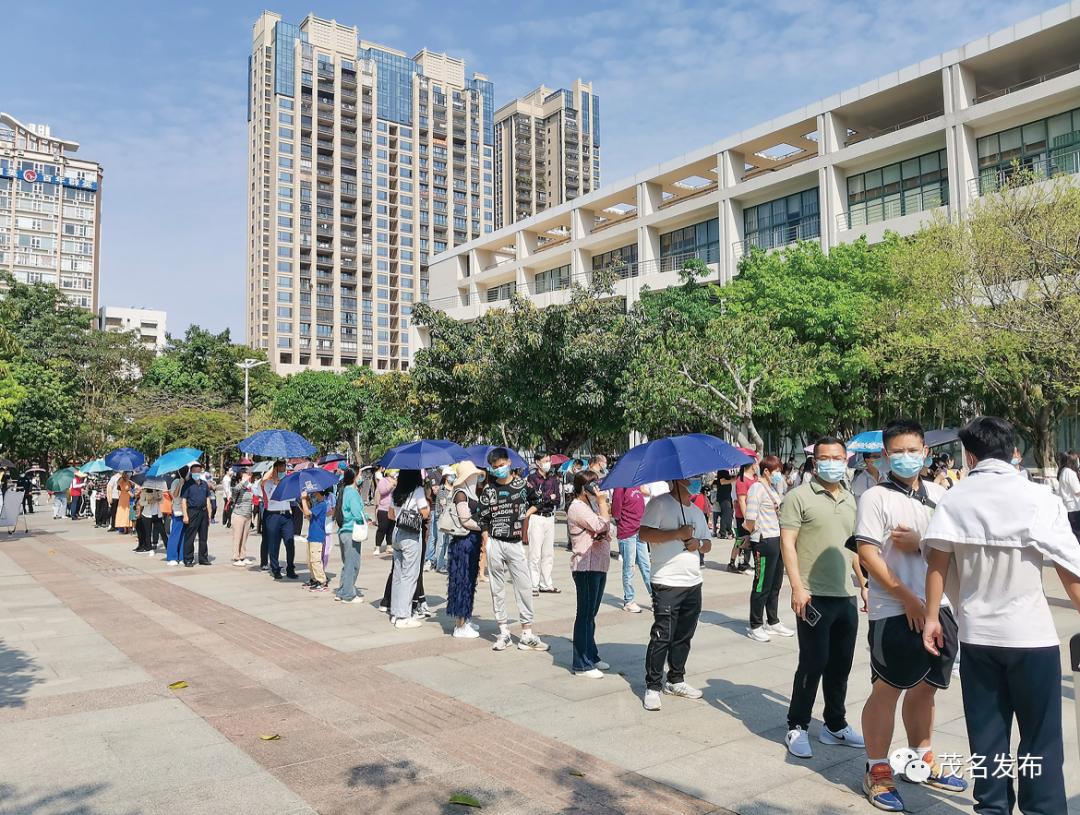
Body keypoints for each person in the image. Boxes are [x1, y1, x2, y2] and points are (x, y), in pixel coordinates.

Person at [922, 416, 1080, 815]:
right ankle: (1043, 809)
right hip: (1032, 637)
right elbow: (1069, 567)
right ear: (1013, 450)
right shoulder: (1038, 498)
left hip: (978, 637)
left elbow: (936, 565)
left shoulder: (954, 499)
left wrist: (930, 619)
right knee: (1040, 739)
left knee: (987, 736)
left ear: (970, 455)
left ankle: (991, 807)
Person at [854, 420, 966, 811]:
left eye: (913, 450)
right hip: (894, 610)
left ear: (926, 452)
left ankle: (921, 757)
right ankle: (877, 768)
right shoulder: (875, 498)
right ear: (886, 455)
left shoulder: (940, 494)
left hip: (941, 608)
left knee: (927, 687)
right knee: (887, 688)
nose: (906, 457)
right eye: (898, 451)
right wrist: (907, 598)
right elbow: (867, 553)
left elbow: (951, 549)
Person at [779, 435, 866, 759]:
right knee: (812, 663)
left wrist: (863, 583)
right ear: (815, 461)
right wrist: (797, 587)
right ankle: (797, 725)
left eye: (837, 458)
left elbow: (853, 546)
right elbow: (788, 543)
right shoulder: (798, 497)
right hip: (813, 595)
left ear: (847, 460)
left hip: (845, 594)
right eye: (825, 458)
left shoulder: (850, 498)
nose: (832, 463)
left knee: (841, 664)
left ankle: (834, 724)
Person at [639, 474, 710, 711]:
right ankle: (652, 686)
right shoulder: (658, 503)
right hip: (666, 581)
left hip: (693, 582)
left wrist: (697, 544)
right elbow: (644, 534)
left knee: (684, 635)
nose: (696, 480)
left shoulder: (697, 511)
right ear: (678, 480)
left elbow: (707, 542)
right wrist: (676, 534)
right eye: (692, 478)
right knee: (663, 635)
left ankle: (676, 679)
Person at [477, 447, 549, 652]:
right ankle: (504, 631)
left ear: (509, 463)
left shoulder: (522, 485)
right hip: (495, 542)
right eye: (495, 467)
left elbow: (538, 501)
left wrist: (525, 514)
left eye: (502, 465)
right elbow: (482, 517)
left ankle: (527, 632)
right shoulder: (489, 491)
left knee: (524, 586)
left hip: (515, 542)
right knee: (497, 589)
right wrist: (486, 539)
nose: (499, 469)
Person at [566, 470, 612, 678]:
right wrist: (603, 504)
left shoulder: (591, 505)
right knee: (584, 615)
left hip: (599, 563)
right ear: (583, 488)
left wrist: (602, 522)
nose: (597, 488)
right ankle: (581, 663)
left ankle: (591, 655)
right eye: (593, 485)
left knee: (591, 614)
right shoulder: (577, 507)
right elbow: (600, 524)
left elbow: (607, 530)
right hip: (585, 565)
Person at [744, 455, 794, 643]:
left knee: (775, 584)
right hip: (764, 540)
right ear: (766, 471)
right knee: (761, 584)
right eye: (776, 471)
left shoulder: (771, 488)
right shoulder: (756, 488)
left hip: (777, 538)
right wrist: (754, 533)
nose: (778, 475)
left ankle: (773, 621)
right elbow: (750, 518)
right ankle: (755, 624)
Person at [445, 461, 484, 638]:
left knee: (469, 581)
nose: (476, 478)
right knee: (462, 581)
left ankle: (465, 618)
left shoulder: (471, 494)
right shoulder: (460, 494)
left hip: (472, 542)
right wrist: (484, 526)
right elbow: (465, 520)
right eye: (473, 475)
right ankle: (460, 625)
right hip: (463, 543)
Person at [388, 469, 429, 629]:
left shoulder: (396, 491)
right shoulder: (417, 490)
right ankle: (403, 615)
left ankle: (395, 612)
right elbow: (425, 513)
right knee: (409, 575)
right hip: (410, 535)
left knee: (398, 574)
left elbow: (391, 515)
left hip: (396, 533)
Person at [525, 453, 561, 596]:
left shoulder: (553, 479)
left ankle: (546, 583)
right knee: (535, 553)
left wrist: (548, 499)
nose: (548, 463)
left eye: (549, 460)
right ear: (537, 462)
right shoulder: (532, 478)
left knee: (548, 553)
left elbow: (557, 499)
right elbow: (534, 498)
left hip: (549, 517)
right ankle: (533, 584)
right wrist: (548, 498)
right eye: (545, 461)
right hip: (537, 518)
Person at [612, 483, 650, 613]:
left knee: (646, 566)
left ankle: (655, 598)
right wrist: (623, 523)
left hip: (640, 530)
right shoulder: (620, 487)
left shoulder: (637, 485)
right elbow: (616, 511)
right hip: (627, 532)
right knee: (629, 567)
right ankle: (629, 600)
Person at [333, 468, 367, 604]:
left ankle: (342, 591)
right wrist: (364, 519)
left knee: (348, 563)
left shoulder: (344, 490)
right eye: (359, 474)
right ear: (354, 477)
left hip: (344, 531)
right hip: (351, 531)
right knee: (353, 564)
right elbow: (357, 512)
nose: (361, 477)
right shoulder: (352, 492)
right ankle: (348, 595)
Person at [261, 460, 297, 580]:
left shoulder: (288, 483)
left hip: (286, 515)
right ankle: (275, 568)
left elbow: (291, 497)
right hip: (273, 515)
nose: (282, 472)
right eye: (280, 469)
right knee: (274, 544)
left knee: (290, 542)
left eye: (284, 469)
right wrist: (276, 483)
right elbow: (271, 498)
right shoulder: (268, 483)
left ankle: (290, 568)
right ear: (275, 470)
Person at [181, 463, 212, 567]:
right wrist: (185, 515)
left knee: (203, 537)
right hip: (192, 512)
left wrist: (209, 514)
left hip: (203, 512)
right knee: (190, 536)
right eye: (194, 472)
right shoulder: (187, 484)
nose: (196, 473)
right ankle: (188, 559)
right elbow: (184, 500)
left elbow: (208, 499)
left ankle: (203, 558)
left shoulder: (204, 484)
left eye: (198, 471)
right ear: (191, 472)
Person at [425, 468, 454, 573]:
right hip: (441, 518)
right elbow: (443, 505)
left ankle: (444, 562)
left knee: (448, 542)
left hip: (451, 519)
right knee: (440, 541)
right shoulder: (442, 489)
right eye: (451, 475)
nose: (453, 477)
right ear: (446, 476)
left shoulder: (454, 489)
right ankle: (438, 564)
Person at [729, 463, 755, 573]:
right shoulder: (741, 480)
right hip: (742, 515)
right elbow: (741, 500)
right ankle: (739, 563)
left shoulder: (754, 478)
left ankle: (739, 561)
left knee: (744, 540)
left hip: (752, 514)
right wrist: (746, 518)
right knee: (742, 540)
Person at [303, 489, 330, 591]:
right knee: (310, 561)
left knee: (315, 560)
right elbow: (308, 516)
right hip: (312, 535)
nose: (313, 495)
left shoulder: (322, 504)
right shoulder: (317, 504)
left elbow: (307, 512)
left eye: (315, 493)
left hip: (317, 537)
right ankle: (314, 579)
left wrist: (303, 499)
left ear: (319, 493)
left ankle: (322, 581)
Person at [230, 469, 255, 566]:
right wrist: (243, 482)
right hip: (238, 515)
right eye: (245, 476)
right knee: (237, 537)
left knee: (244, 537)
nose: (248, 478)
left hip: (247, 515)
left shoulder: (249, 488)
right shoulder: (237, 488)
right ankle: (236, 557)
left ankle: (242, 556)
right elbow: (235, 490)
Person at [1057, 451, 1080, 542]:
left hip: (1069, 507)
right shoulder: (1070, 473)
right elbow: (1077, 491)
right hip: (1074, 507)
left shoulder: (1064, 471)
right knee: (1076, 534)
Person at [165, 471, 187, 566]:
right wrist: (180, 484)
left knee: (183, 536)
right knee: (175, 535)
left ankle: (182, 557)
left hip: (186, 512)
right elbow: (174, 495)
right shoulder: (176, 482)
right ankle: (172, 557)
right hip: (178, 511)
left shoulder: (189, 481)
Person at [134, 487, 164, 554]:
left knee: (161, 531)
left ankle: (167, 547)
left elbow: (162, 500)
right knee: (145, 531)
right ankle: (146, 547)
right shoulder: (144, 491)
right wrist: (148, 501)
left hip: (154, 513)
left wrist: (158, 498)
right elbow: (140, 501)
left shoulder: (158, 490)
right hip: (145, 513)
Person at [374, 469, 396, 555]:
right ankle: (377, 547)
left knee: (391, 529)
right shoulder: (383, 481)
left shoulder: (396, 481)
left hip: (392, 508)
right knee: (382, 528)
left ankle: (389, 546)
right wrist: (391, 485)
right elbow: (382, 491)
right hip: (383, 508)